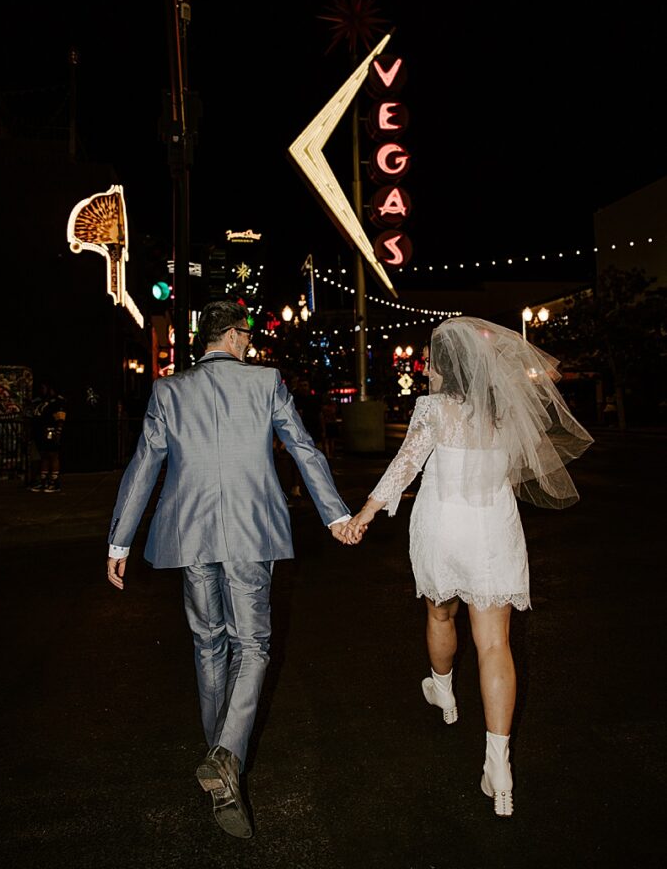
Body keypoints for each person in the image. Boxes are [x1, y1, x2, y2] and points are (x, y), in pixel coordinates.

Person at [105, 299, 351, 839]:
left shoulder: (169, 391)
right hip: (250, 529)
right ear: (235, 337)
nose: (250, 344)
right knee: (253, 646)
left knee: (208, 643)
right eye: (247, 336)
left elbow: (144, 464)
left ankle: (221, 758)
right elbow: (304, 450)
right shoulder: (266, 384)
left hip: (189, 534)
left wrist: (120, 539)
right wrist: (334, 513)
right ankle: (226, 756)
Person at [346, 316, 593, 817]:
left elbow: (405, 465)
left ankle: (442, 688)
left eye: (432, 362)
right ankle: (498, 764)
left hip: (442, 528)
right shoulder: (505, 412)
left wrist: (364, 514)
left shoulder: (434, 409)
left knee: (440, 614)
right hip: (492, 531)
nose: (427, 369)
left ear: (444, 367)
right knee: (495, 644)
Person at [29, 381, 66, 492]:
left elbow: (60, 417)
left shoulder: (57, 401)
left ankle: (53, 482)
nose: (42, 390)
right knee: (44, 455)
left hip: (51, 431)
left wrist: (58, 431)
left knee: (53, 455)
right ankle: (43, 480)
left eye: (44, 388)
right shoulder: (44, 401)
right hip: (42, 431)